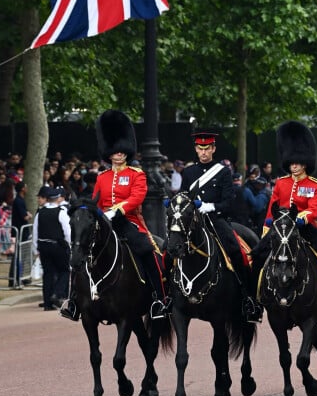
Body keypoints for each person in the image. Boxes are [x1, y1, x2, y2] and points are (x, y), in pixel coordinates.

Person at [61, 110, 170, 322]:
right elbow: (96, 201)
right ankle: (74, 301)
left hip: (129, 222)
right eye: (115, 150)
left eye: (122, 150)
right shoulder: (102, 177)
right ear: (108, 153)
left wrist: (117, 210)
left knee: (149, 251)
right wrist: (96, 213)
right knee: (80, 253)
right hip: (104, 223)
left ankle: (159, 299)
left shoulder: (136, 174)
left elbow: (137, 197)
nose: (119, 153)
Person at [252, 121, 317, 317]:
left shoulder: (315, 184)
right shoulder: (281, 183)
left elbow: (316, 208)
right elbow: (272, 207)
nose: (293, 165)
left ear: (305, 162)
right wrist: (267, 227)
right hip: (281, 229)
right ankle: (253, 299)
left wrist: (301, 218)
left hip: (305, 228)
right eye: (291, 162)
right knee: (256, 256)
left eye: (297, 162)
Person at [180, 130, 262, 323]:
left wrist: (210, 206)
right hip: (192, 221)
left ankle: (248, 297)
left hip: (216, 220)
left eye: (207, 148)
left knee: (236, 250)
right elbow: (183, 196)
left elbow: (229, 203)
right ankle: (167, 297)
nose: (204, 152)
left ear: (213, 149)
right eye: (200, 149)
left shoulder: (223, 172)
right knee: (170, 247)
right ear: (196, 149)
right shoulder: (189, 172)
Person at [32, 187, 71, 310]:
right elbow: (67, 232)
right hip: (58, 246)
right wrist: (70, 246)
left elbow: (35, 232)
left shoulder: (40, 212)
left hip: (43, 246)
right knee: (64, 270)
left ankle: (47, 303)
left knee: (48, 274)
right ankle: (57, 293)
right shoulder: (61, 212)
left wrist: (35, 249)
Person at [8, 181, 32, 287]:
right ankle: (15, 278)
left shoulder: (20, 200)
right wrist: (29, 216)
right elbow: (25, 216)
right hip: (20, 232)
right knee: (18, 255)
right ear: (22, 189)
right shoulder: (18, 201)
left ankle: (20, 276)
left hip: (22, 231)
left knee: (21, 255)